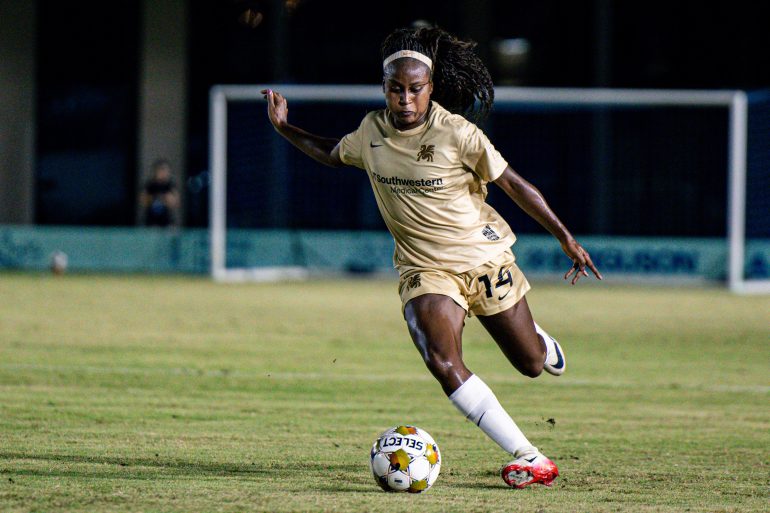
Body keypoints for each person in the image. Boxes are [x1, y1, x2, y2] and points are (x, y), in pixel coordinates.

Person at [262, 26, 602, 489]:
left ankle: (539, 342)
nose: (405, 100)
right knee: (443, 361)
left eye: (415, 90)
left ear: (431, 89)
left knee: (530, 363)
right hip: (425, 270)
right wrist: (284, 128)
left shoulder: (458, 134)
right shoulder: (370, 132)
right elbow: (330, 154)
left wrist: (566, 238)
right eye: (396, 89)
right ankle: (531, 456)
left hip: (483, 261)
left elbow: (515, 185)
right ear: (384, 89)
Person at [141, 159, 179, 227]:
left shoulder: (170, 185)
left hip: (167, 221)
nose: (164, 173)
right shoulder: (150, 185)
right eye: (161, 170)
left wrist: (166, 199)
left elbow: (175, 202)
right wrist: (154, 198)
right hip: (151, 221)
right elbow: (143, 201)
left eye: (166, 170)